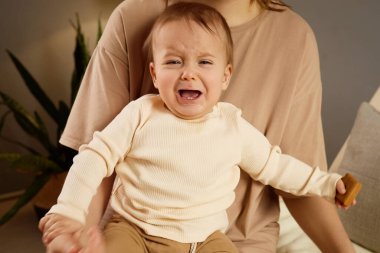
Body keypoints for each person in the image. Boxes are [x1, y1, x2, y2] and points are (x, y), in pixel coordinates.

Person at [39, 0, 356, 252]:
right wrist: (74, 221)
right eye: (174, 61)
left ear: (226, 75)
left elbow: (280, 168)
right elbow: (95, 159)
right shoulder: (141, 108)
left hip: (219, 239)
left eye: (205, 62)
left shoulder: (234, 121)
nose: (188, 73)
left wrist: (328, 185)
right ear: (154, 72)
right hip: (134, 230)